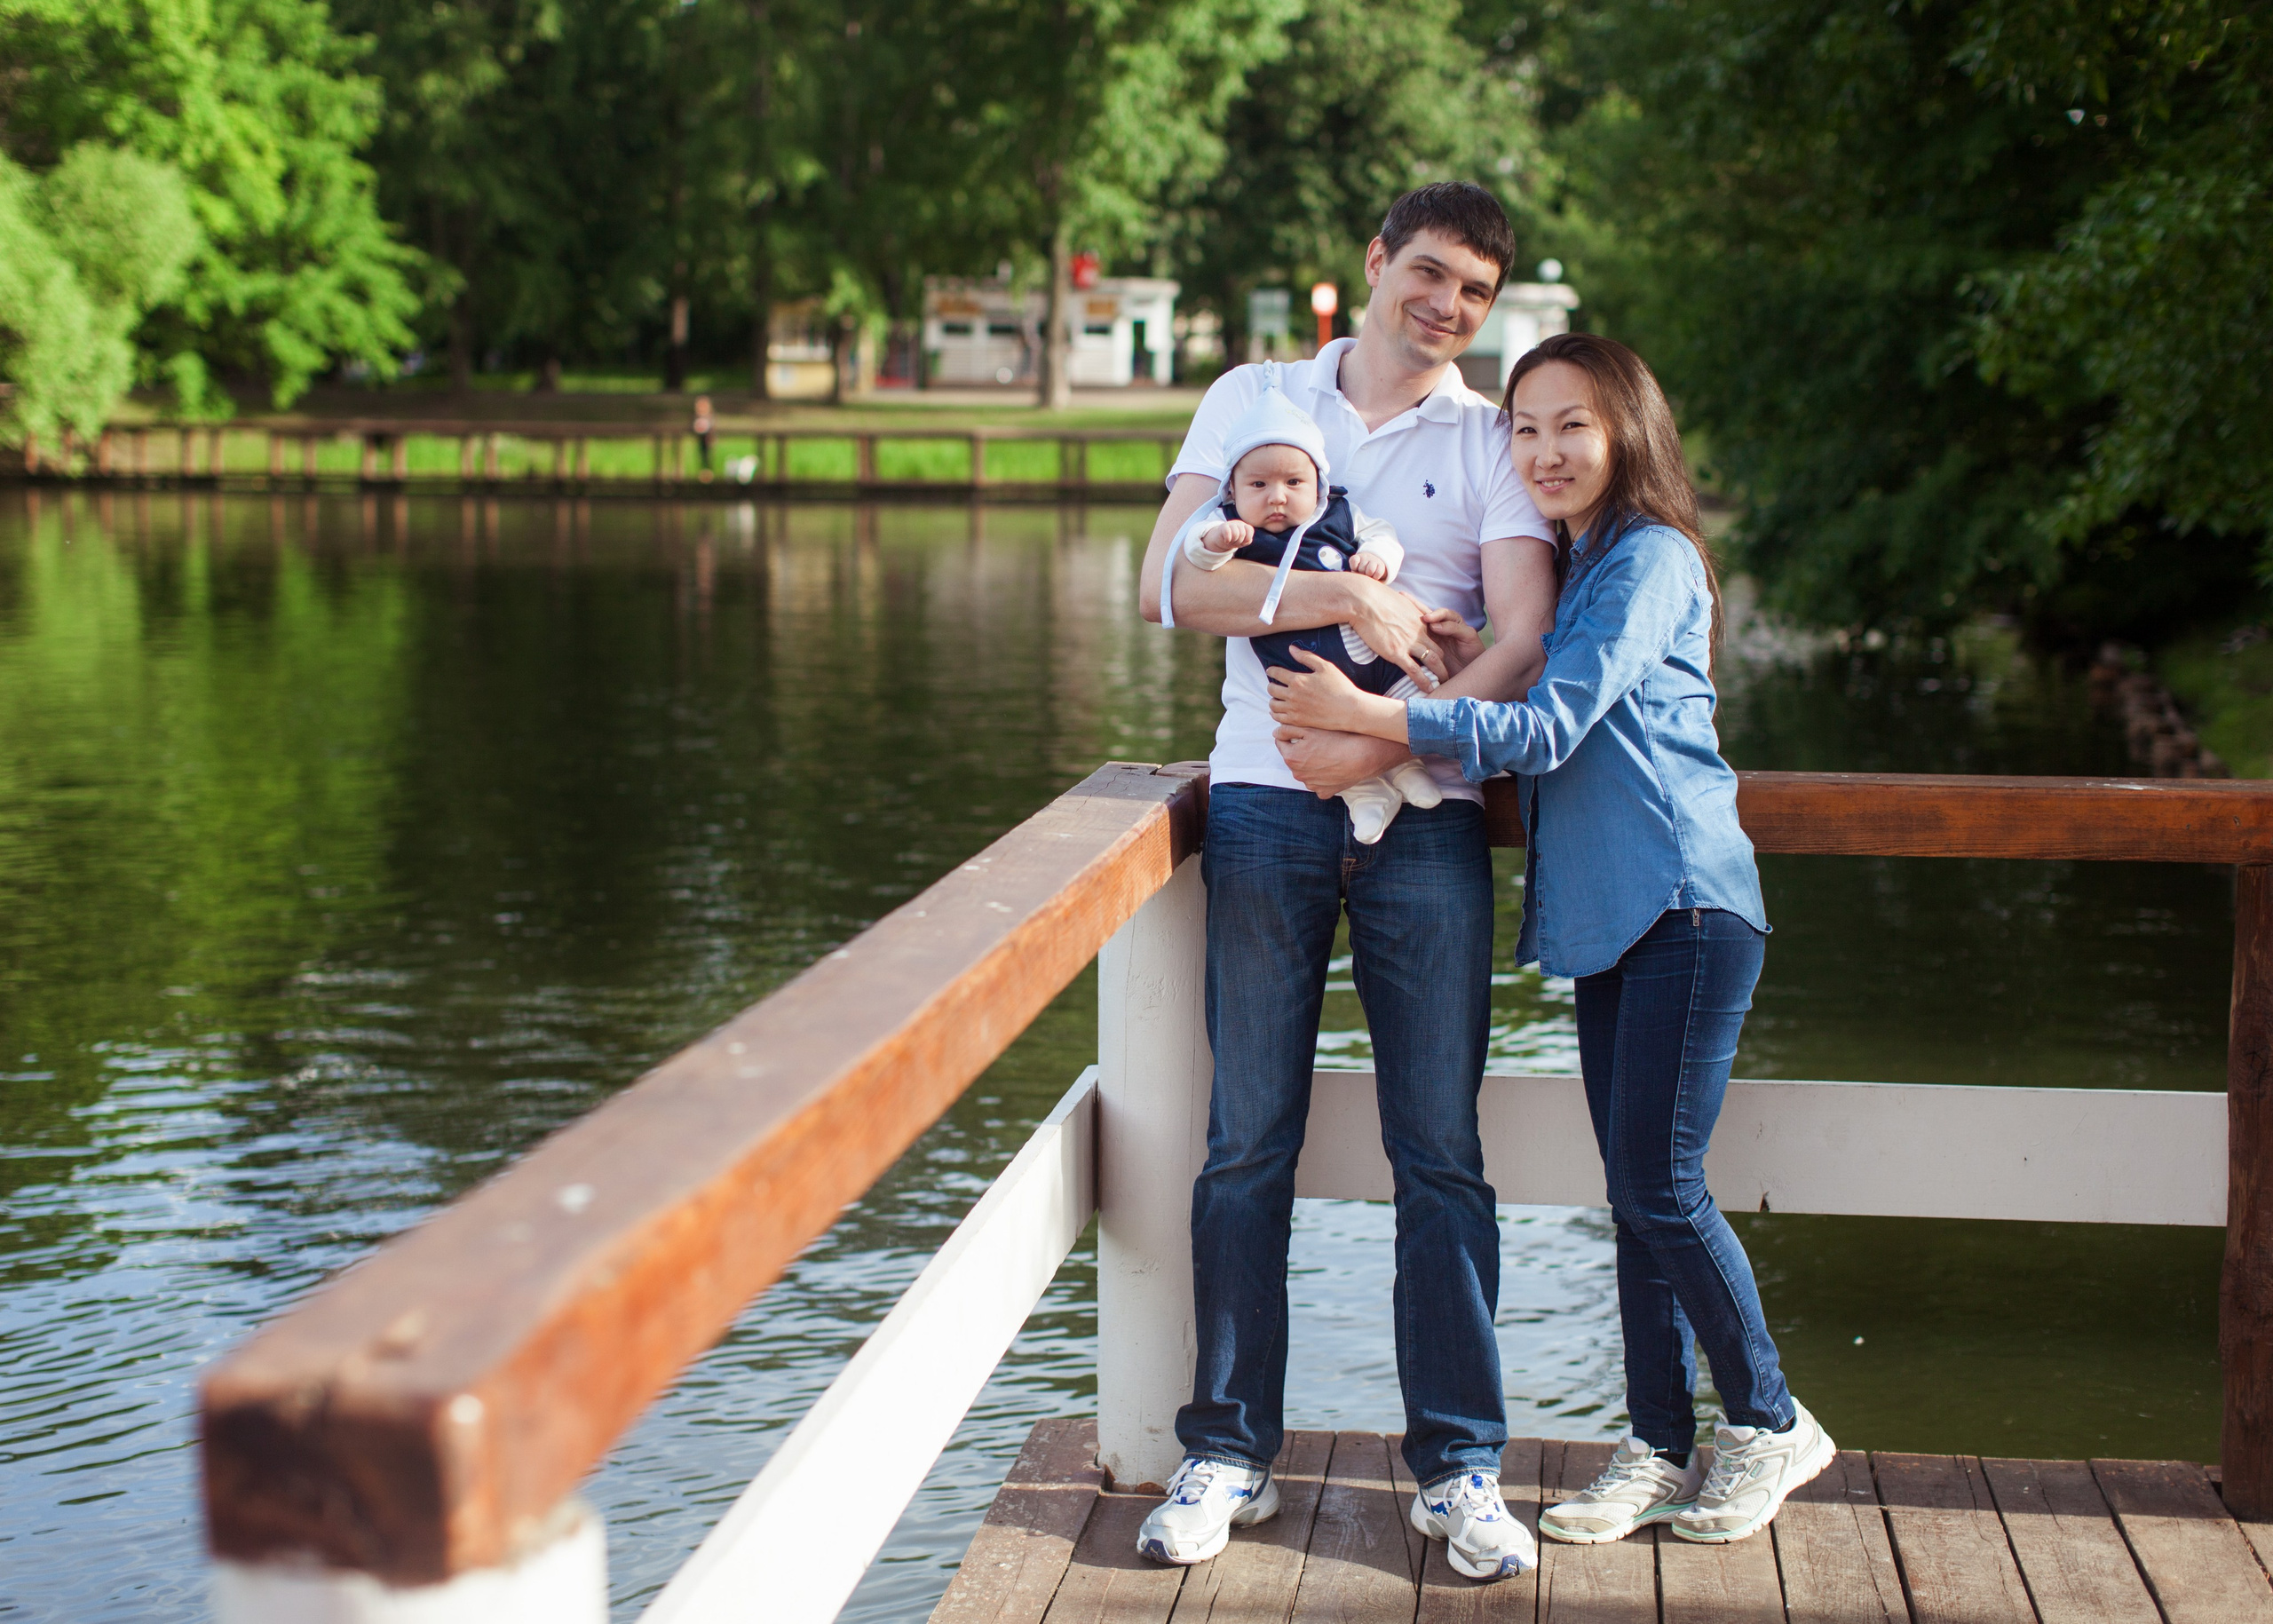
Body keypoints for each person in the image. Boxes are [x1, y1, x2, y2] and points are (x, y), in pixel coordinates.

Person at [1265, 330, 1834, 1549]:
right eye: (1523, 428)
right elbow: (1545, 693)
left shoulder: (1651, 556)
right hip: (1612, 918)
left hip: (1684, 903)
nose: (1543, 451)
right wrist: (1465, 661)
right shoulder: (1585, 569)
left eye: (1571, 423)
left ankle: (1771, 1420)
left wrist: (1377, 716)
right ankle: (1659, 1445)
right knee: (1635, 1198)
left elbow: (1554, 727)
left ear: (1629, 428)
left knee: (1662, 1188)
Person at [1133, 182, 1559, 1582]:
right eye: (1429, 272)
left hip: (1426, 817)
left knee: (1439, 1148)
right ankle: (1227, 1453)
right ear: (1376, 262)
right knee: (1246, 1137)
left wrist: (1381, 733)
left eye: (1475, 291)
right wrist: (1350, 598)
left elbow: (1520, 635)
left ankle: (1459, 1467)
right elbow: (1169, 586)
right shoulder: (1255, 397)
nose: (1447, 305)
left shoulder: (1491, 437)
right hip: (1261, 809)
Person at [1175, 381, 1446, 843]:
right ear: (1232, 490)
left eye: (1293, 483)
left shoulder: (1338, 514)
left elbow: (1382, 534)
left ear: (1318, 483)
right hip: (1300, 670)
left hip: (1369, 654)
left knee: (1410, 692)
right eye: (1258, 485)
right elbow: (1194, 555)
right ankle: (1365, 794)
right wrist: (1215, 543)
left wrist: (1377, 559)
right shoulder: (1233, 527)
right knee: (1310, 727)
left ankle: (1407, 767)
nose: (1277, 497)